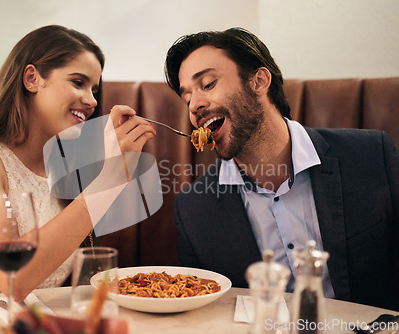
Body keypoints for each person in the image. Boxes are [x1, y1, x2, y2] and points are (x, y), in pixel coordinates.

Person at [164, 27, 399, 310]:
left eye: (208, 84)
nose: (195, 105)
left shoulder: (371, 156)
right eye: (187, 97)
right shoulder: (193, 211)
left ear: (259, 82)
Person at [0, 25, 156, 302]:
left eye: (95, 89)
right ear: (32, 78)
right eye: (78, 82)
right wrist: (112, 176)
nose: (92, 100)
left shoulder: (68, 171)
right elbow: (13, 278)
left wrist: (111, 163)